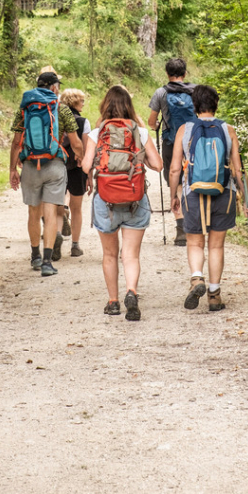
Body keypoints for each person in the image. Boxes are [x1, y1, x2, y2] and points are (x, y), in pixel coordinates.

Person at [168, 84, 248, 312]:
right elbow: (238, 170)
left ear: (194, 105)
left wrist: (174, 195)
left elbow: (175, 169)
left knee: (195, 242)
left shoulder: (184, 130)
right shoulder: (228, 130)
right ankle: (214, 296)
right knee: (216, 246)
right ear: (216, 104)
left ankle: (197, 279)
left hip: (193, 193)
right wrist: (247, 200)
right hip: (223, 192)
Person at [82, 85, 163, 320]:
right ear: (129, 106)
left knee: (109, 254)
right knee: (131, 255)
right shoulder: (139, 132)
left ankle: (113, 301)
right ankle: (131, 291)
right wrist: (139, 159)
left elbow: (86, 166)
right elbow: (158, 165)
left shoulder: (97, 134)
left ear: (105, 105)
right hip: (135, 199)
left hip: (106, 200)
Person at [9, 67, 83, 276]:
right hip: (54, 165)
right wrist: (80, 157)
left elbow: (16, 143)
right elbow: (75, 141)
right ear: (54, 87)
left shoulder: (24, 109)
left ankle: (35, 256)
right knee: (51, 213)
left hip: (30, 165)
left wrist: (12, 169)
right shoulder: (61, 109)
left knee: (34, 212)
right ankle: (48, 262)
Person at [148, 57, 195, 246]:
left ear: (167, 74)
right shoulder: (196, 91)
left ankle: (180, 230)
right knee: (193, 180)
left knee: (175, 183)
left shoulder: (161, 93)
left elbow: (152, 122)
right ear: (184, 74)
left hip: (171, 142)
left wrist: (158, 125)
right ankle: (195, 223)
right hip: (194, 142)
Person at [60, 88, 91, 258]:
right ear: (75, 102)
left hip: (58, 164)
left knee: (57, 205)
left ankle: (56, 238)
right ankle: (75, 246)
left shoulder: (56, 118)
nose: (83, 103)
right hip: (77, 166)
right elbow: (85, 148)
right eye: (82, 100)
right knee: (77, 208)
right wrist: (89, 172)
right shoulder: (83, 122)